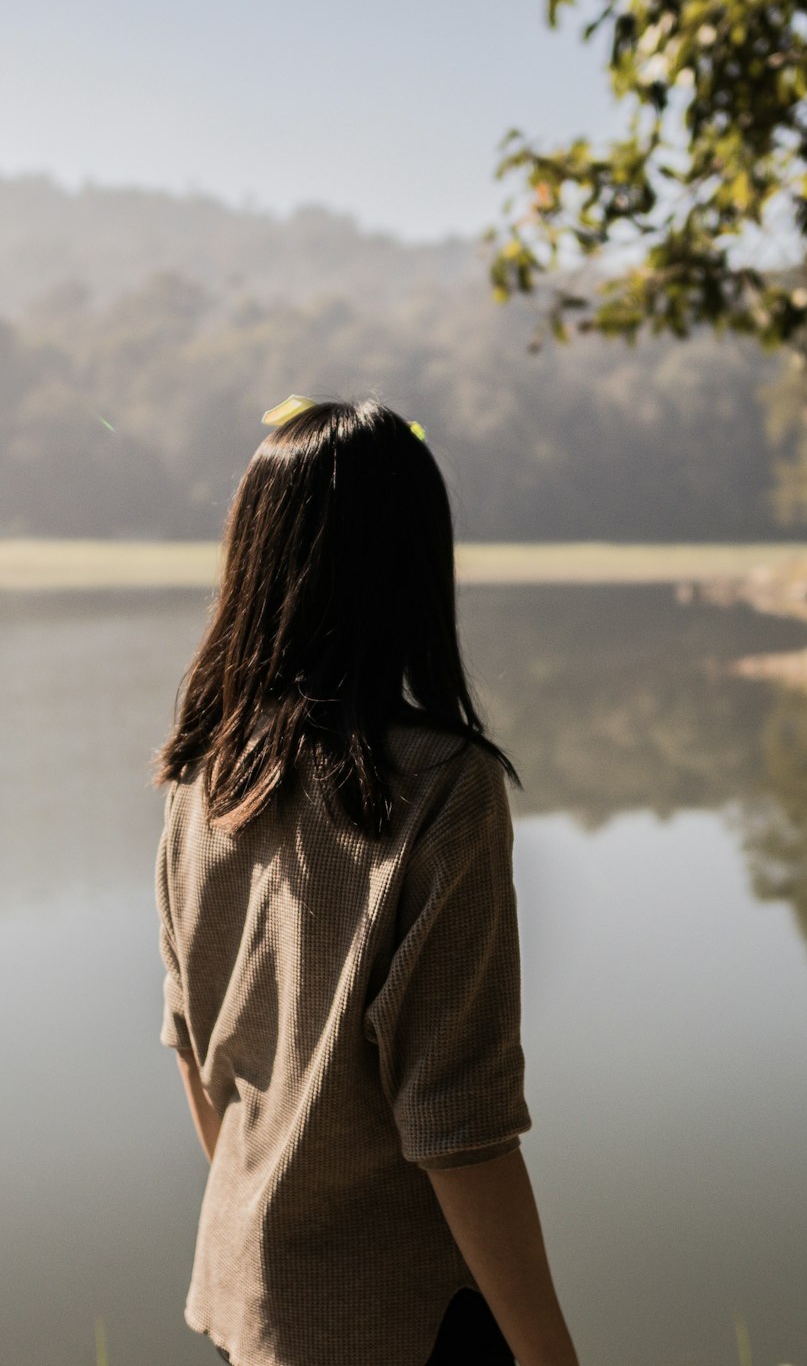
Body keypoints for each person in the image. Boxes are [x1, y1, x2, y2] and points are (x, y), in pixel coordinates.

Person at [153, 398, 580, 1366]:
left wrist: (270, 1224)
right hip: (402, 1322)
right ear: (414, 563)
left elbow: (190, 1044)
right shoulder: (440, 786)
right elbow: (455, 1121)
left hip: (245, 1297)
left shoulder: (201, 778)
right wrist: (551, 1355)